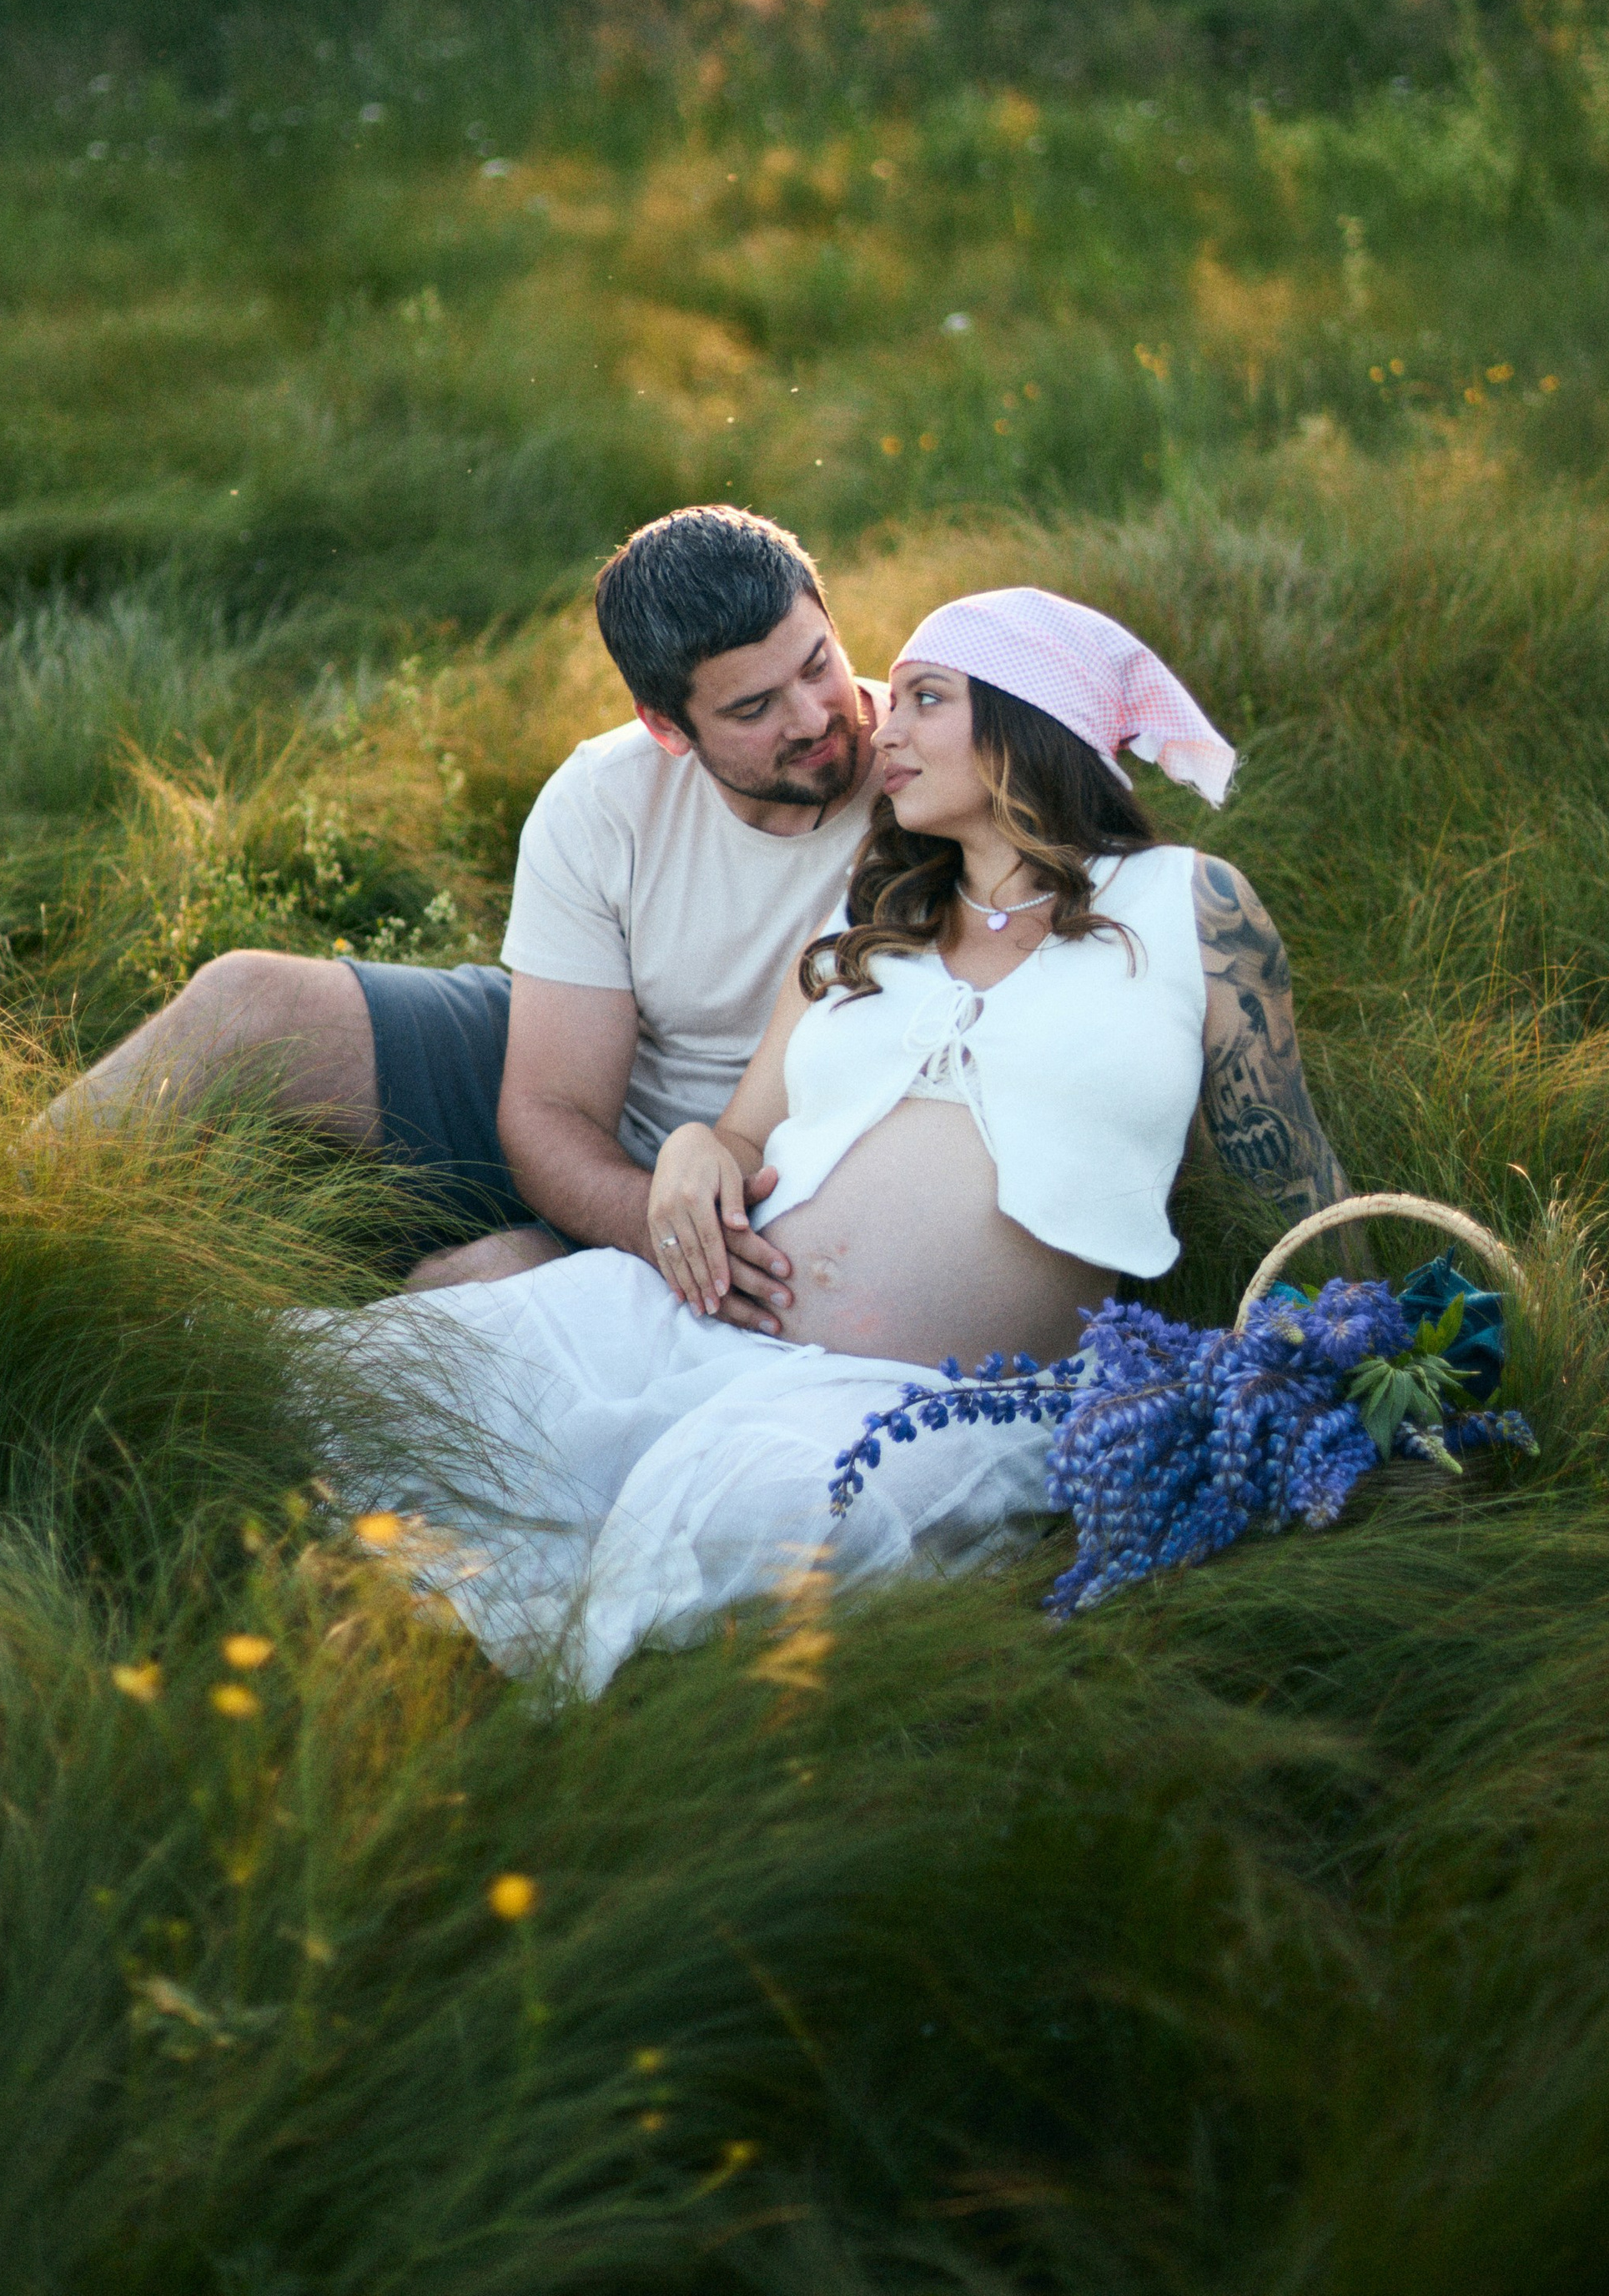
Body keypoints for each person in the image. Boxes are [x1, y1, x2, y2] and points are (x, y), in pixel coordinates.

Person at [309, 587, 1350, 1699]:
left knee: (745, 1523)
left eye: (924, 701)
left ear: (1028, 710)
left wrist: (1376, 1364)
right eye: (892, 701)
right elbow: (743, 1129)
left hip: (936, 1399)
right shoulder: (873, 920)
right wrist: (694, 1155)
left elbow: (1297, 1176)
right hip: (707, 1326)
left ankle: (455, 1683)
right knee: (374, 1382)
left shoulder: (1186, 906)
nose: (881, 731)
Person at [38, 506, 882, 1330]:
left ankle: (284, 1367)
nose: (813, 718)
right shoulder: (605, 801)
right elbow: (552, 1108)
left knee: (479, 1286)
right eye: (753, 709)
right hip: (615, 1128)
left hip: (776, 1185)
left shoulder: (942, 780)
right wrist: (653, 1225)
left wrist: (702, 1236)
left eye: (817, 666)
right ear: (666, 728)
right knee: (247, 1001)